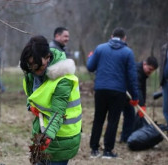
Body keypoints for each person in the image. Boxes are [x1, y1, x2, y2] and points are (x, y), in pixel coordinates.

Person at [20, 35, 82, 165]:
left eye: (37, 65)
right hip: (42, 131)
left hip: (62, 137)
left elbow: (58, 112)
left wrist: (47, 136)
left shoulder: (63, 79)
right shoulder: (32, 71)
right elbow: (33, 95)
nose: (35, 69)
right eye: (31, 65)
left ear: (48, 57)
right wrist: (30, 106)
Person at [87, 27, 139, 158]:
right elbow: (132, 77)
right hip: (118, 91)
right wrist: (135, 96)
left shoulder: (100, 48)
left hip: (100, 89)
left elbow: (90, 67)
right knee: (113, 121)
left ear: (111, 36)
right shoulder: (128, 52)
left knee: (98, 119)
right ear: (124, 38)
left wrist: (90, 57)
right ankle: (108, 151)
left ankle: (94, 149)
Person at [120, 56, 158, 142]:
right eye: (150, 69)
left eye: (152, 70)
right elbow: (137, 87)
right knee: (121, 116)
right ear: (144, 64)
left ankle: (125, 137)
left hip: (127, 95)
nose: (150, 72)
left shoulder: (143, 73)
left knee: (129, 116)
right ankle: (123, 137)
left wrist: (143, 103)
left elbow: (142, 89)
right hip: (121, 93)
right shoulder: (137, 70)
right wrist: (141, 104)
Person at [159, 28, 168, 126]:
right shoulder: (164, 48)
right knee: (165, 107)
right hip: (165, 82)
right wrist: (161, 82)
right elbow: (162, 65)